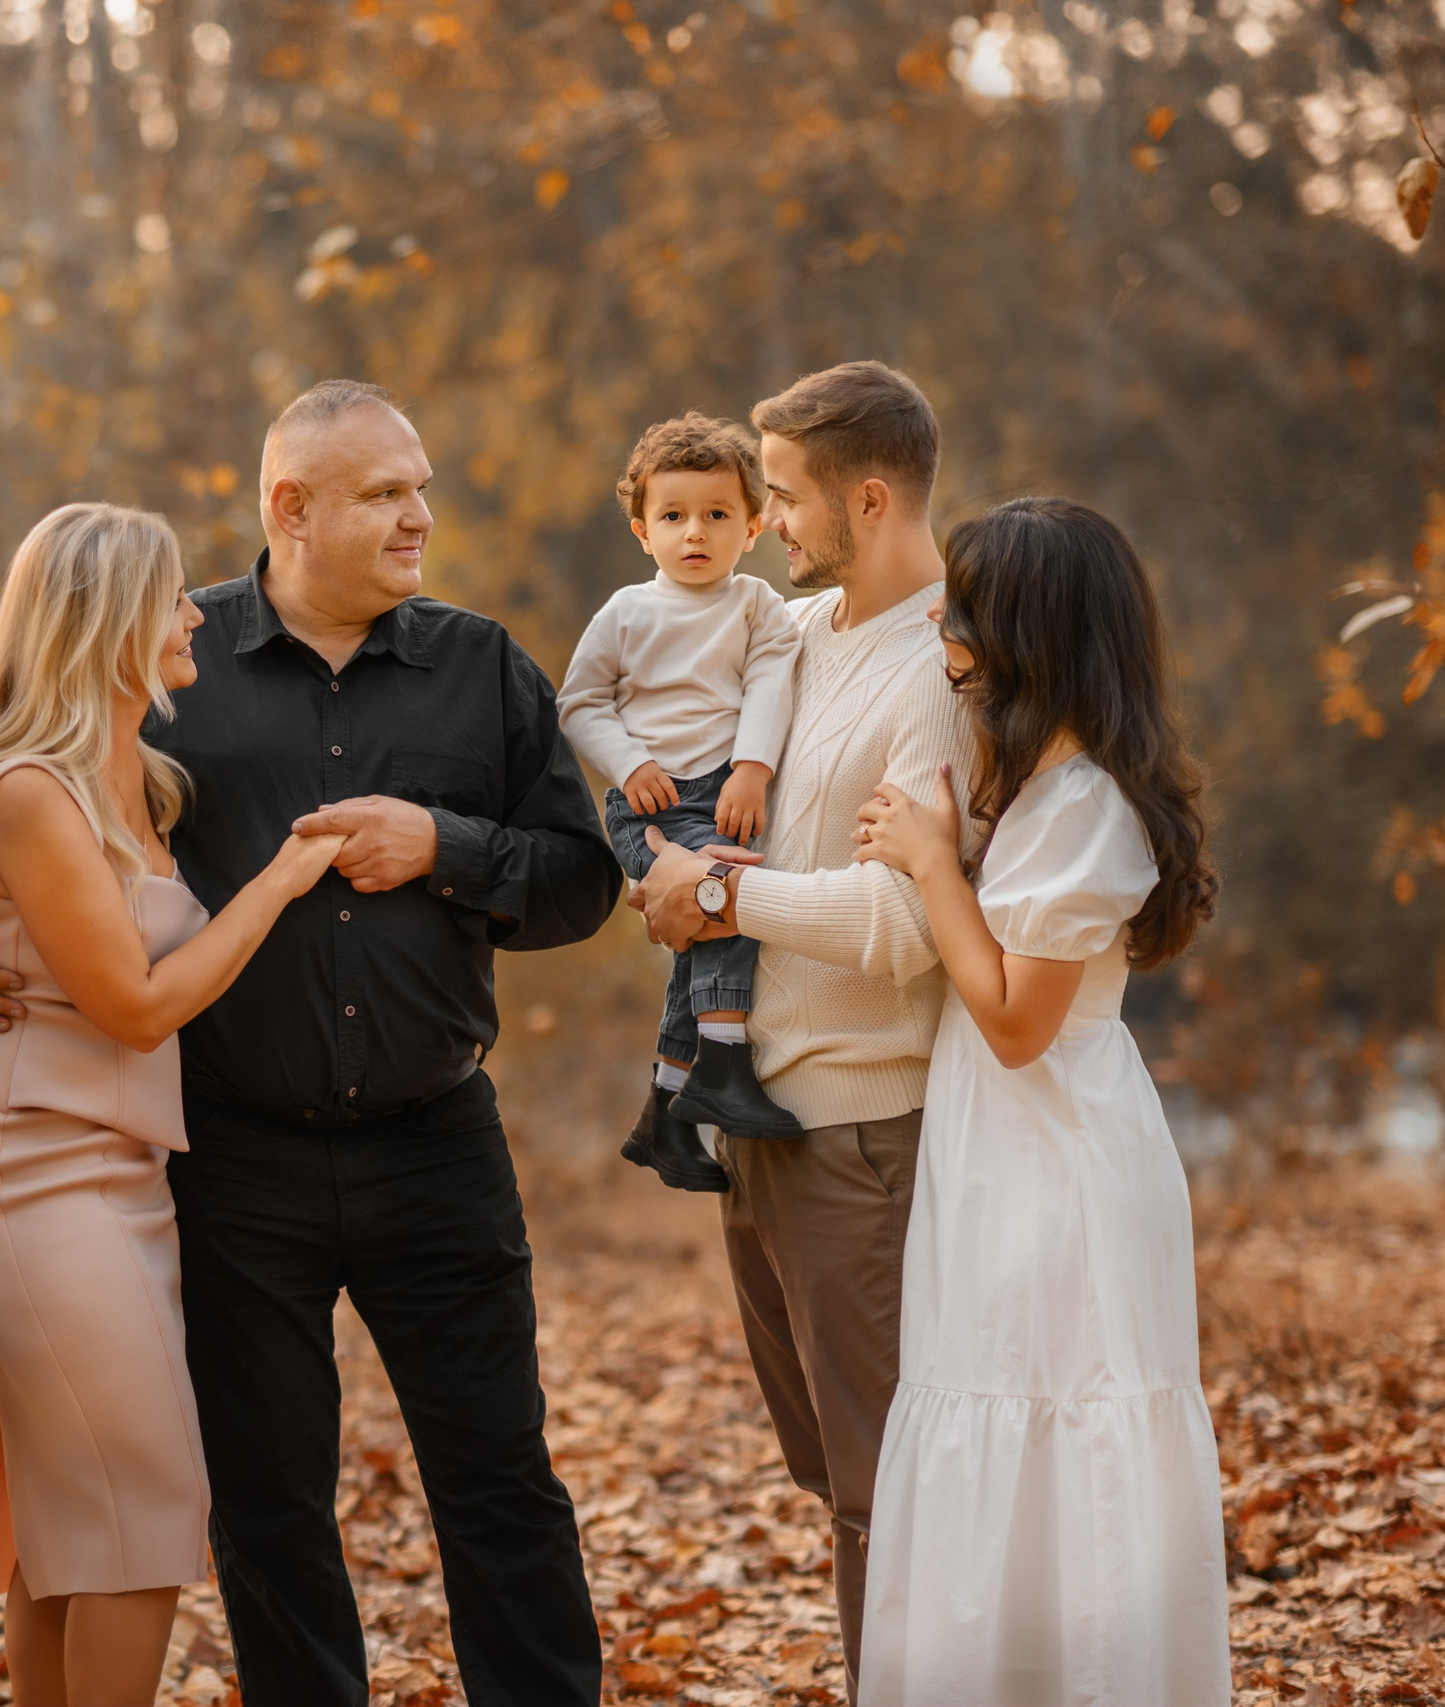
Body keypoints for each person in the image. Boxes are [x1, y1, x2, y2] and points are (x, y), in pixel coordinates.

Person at [0, 382, 622, 1707]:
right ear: (289, 508)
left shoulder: (483, 665)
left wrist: (447, 848)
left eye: (420, 484)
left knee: (500, 1476)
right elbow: (19, 802)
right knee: (265, 1498)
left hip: (437, 1140)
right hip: (231, 1157)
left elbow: (584, 878)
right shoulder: (170, 663)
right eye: (383, 494)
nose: (420, 513)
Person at [0, 502, 345, 1707]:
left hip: (122, 1176)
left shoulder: (139, 781)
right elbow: (133, 1004)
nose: (195, 612)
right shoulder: (30, 791)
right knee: (149, 1504)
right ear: (105, 621)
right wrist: (280, 881)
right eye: (168, 597)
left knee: (73, 1523)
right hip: (26, 1173)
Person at [629, 361, 977, 1699]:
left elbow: (908, 920)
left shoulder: (947, 663)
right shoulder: (800, 631)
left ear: (871, 496)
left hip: (860, 1132)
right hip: (754, 1114)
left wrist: (720, 888)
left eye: (782, 496)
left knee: (889, 1490)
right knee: (833, 1478)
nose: (764, 520)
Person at [849, 499, 1228, 1705]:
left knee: (1059, 1416)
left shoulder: (1086, 808)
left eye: (966, 613)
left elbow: (1015, 1021)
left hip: (1054, 1153)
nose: (944, 633)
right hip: (1001, 1151)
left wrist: (927, 866)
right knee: (993, 1404)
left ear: (1035, 634)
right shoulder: (1038, 782)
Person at [559, 411, 804, 1194]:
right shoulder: (627, 614)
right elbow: (580, 702)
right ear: (642, 530)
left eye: (717, 515)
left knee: (703, 933)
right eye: (673, 516)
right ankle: (725, 1063)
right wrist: (630, 765)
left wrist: (753, 771)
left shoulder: (758, 605)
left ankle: (665, 1113)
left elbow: (769, 679)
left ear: (754, 525)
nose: (694, 532)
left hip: (724, 787)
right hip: (653, 805)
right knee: (727, 897)